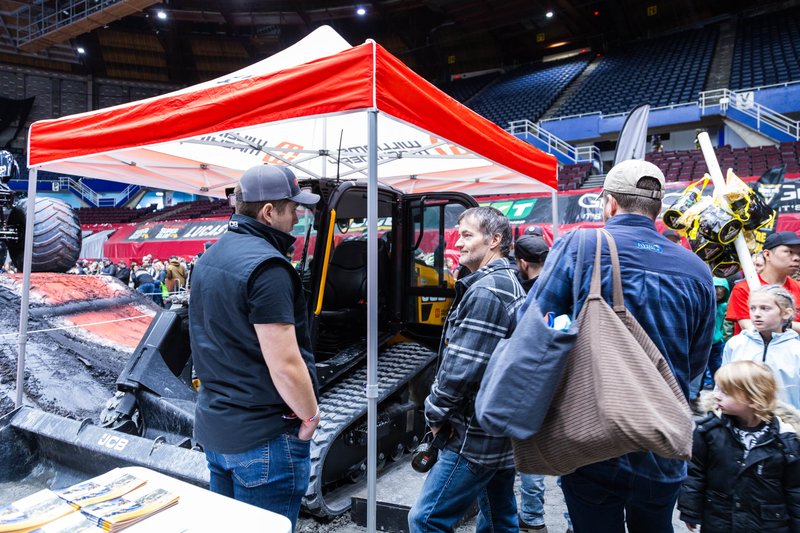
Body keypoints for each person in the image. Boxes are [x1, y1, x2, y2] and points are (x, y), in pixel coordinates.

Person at [527, 159, 715, 533]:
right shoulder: (697, 269)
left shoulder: (581, 245)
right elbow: (697, 364)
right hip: (662, 437)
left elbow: (534, 324)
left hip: (593, 432)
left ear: (609, 203)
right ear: (657, 208)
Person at [189, 164, 320, 529]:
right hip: (264, 437)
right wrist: (310, 416)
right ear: (268, 212)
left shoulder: (209, 258)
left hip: (219, 429)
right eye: (292, 207)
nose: (297, 215)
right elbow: (285, 364)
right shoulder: (269, 269)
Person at [408, 206, 526, 533]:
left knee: (425, 520)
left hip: (472, 433)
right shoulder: (506, 281)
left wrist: (434, 415)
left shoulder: (488, 291)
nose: (457, 244)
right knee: (500, 517)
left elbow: (461, 367)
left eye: (466, 235)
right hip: (497, 427)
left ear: (495, 240)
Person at [677, 360, 800, 532]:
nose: (717, 395)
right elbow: (695, 472)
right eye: (718, 389)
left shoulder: (785, 438)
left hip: (768, 523)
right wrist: (690, 509)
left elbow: (794, 487)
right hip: (720, 519)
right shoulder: (709, 430)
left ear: (754, 398)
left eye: (726, 392)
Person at [722, 284, 800, 409]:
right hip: (741, 420)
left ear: (786, 313)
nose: (757, 314)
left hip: (786, 421)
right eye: (753, 308)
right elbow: (723, 383)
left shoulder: (796, 350)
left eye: (765, 308)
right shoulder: (736, 344)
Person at [726, 231, 800, 335]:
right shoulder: (743, 289)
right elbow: (752, 328)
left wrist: (784, 324)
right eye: (789, 252)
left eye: (799, 253)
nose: (797, 258)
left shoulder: (798, 287)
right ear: (767, 254)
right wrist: (788, 324)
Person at [689, 277, 731, 405]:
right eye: (716, 292)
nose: (718, 296)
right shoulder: (704, 303)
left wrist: (723, 335)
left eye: (721, 294)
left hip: (716, 342)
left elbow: (725, 321)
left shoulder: (723, 306)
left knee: (718, 367)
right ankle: (695, 394)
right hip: (702, 341)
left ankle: (722, 389)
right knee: (699, 369)